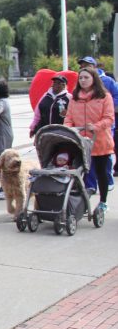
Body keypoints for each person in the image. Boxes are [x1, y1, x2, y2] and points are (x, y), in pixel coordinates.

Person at [64, 66, 114, 214]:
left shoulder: (104, 96)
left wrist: (96, 126)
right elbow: (69, 117)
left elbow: (109, 118)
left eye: (86, 77)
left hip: (100, 141)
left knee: (101, 172)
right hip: (79, 141)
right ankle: (81, 203)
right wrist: (68, 127)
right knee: (79, 174)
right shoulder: (75, 97)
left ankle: (103, 201)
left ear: (94, 79)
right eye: (81, 78)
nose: (83, 80)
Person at [77, 57, 117, 193]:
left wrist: (97, 125)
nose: (83, 79)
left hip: (102, 131)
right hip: (84, 133)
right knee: (88, 162)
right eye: (81, 66)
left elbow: (109, 115)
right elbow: (71, 114)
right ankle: (90, 186)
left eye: (86, 66)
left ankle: (107, 181)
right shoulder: (77, 94)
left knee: (103, 161)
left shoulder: (107, 84)